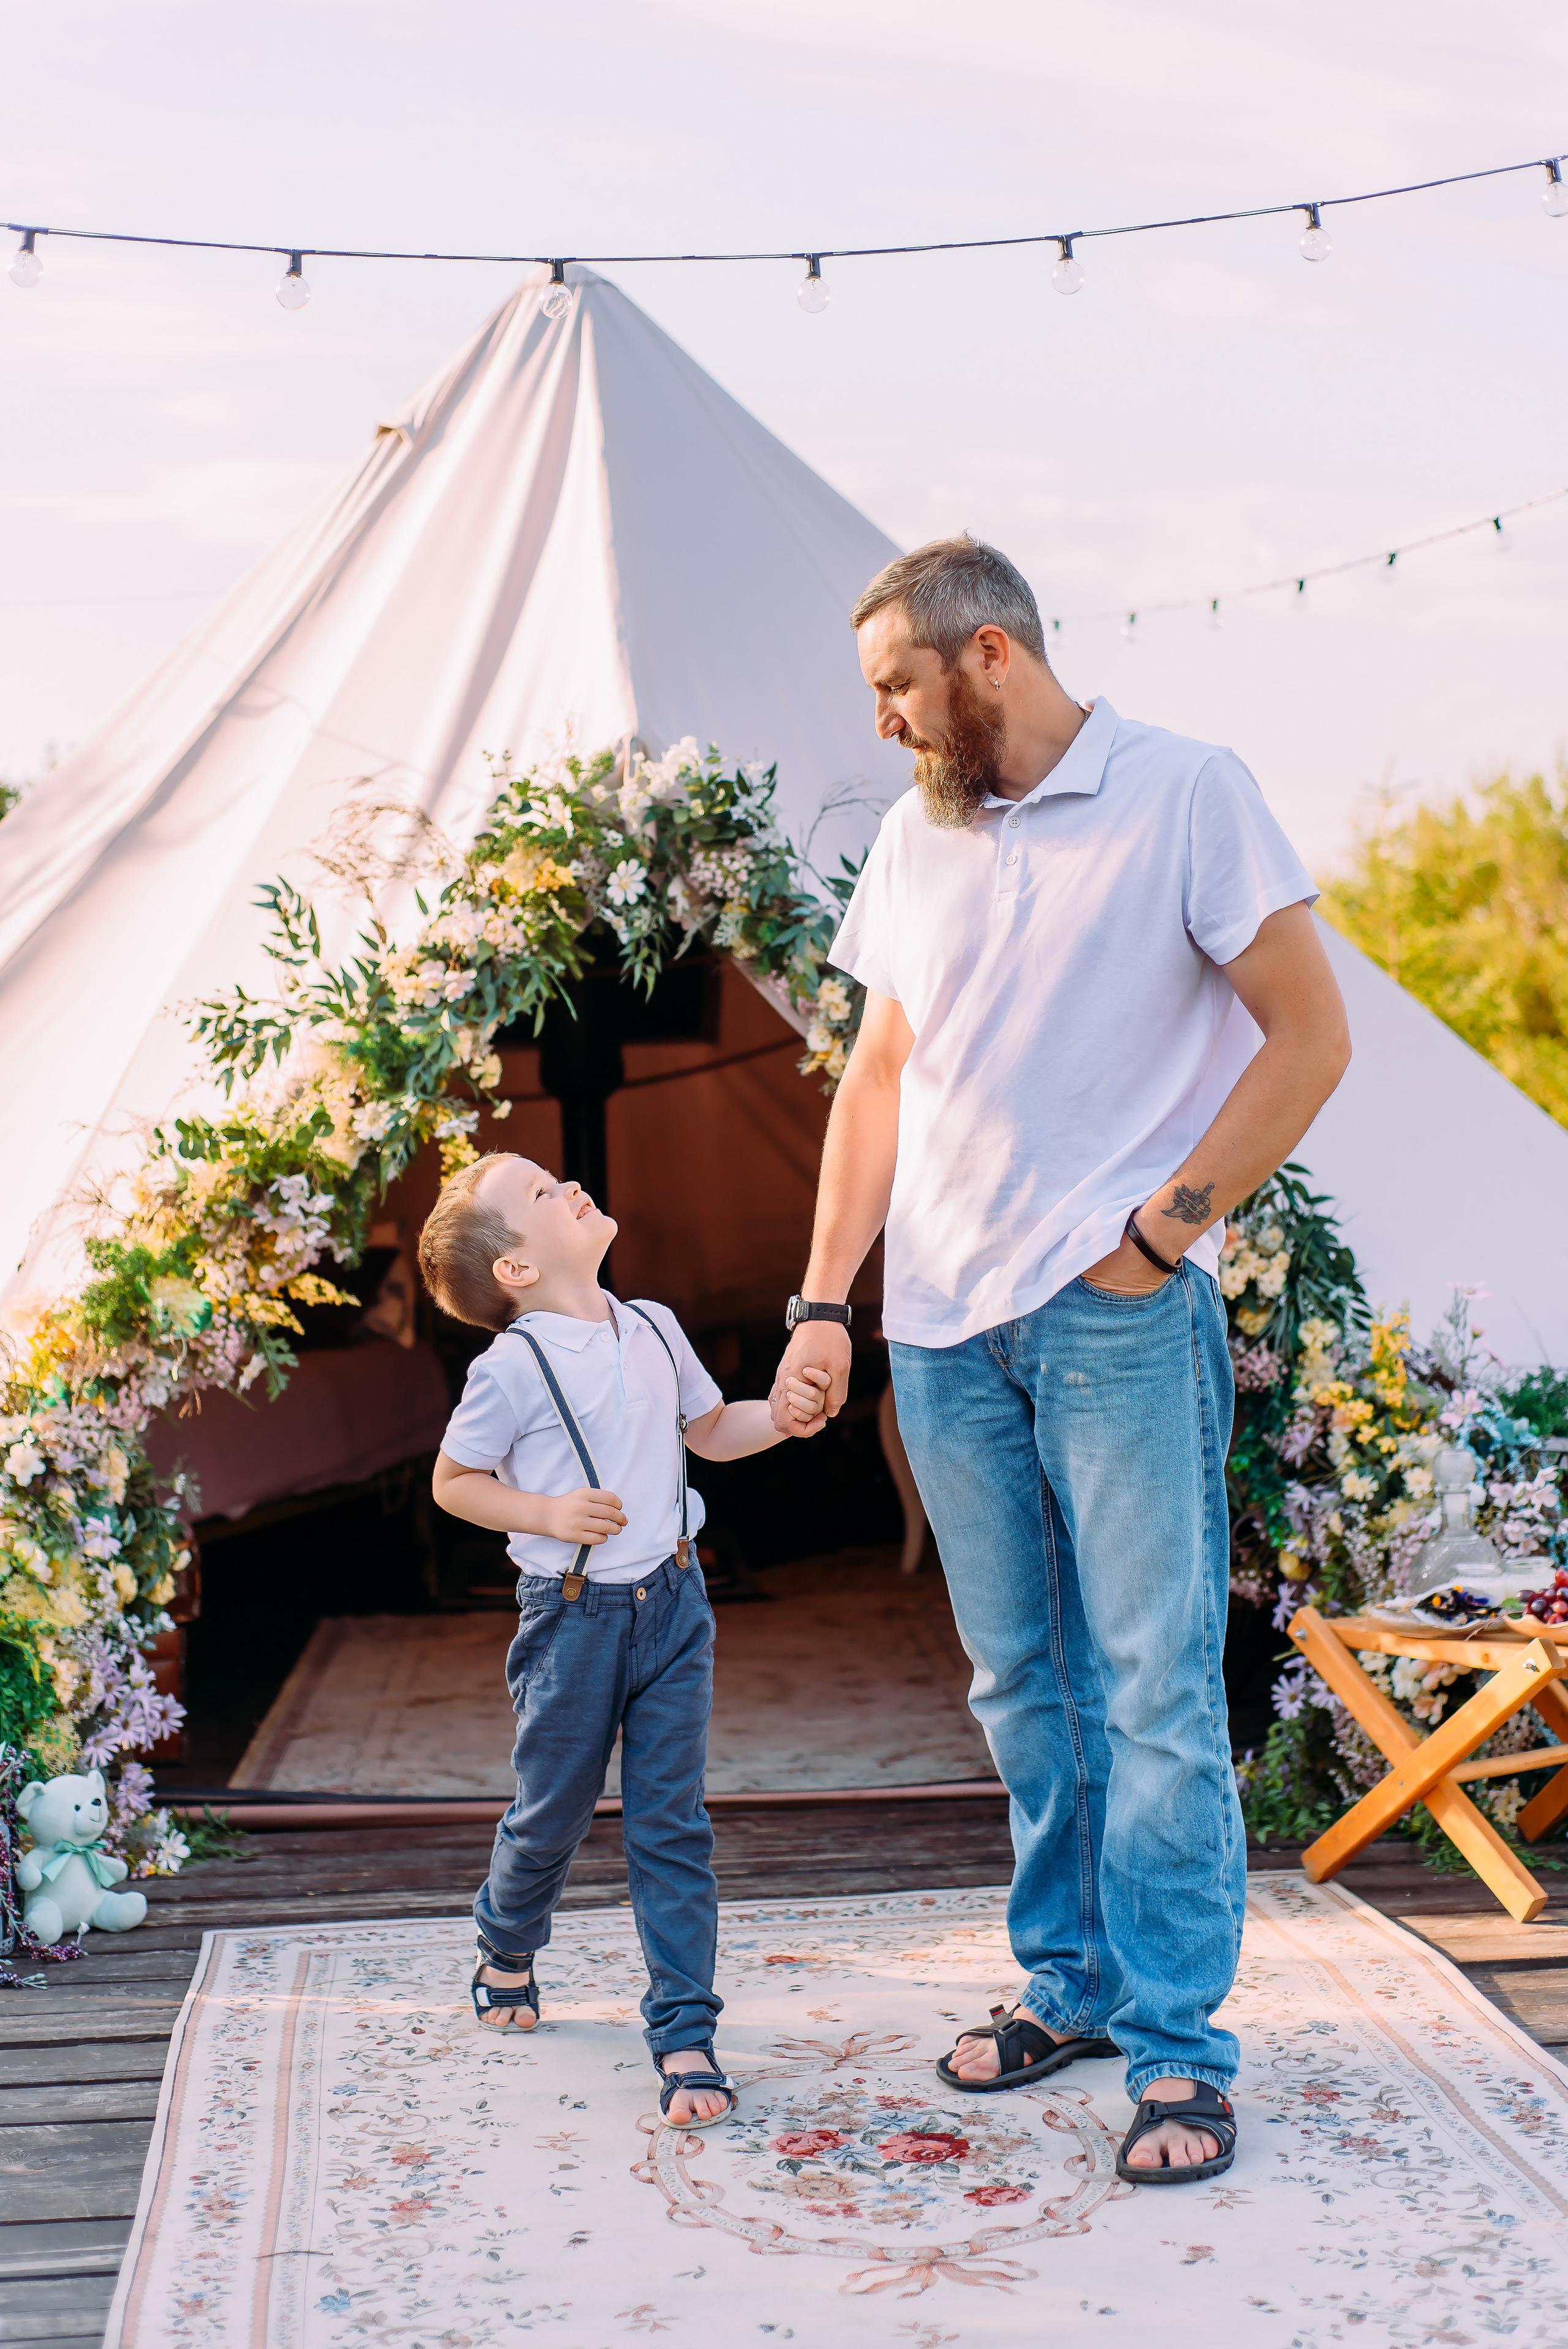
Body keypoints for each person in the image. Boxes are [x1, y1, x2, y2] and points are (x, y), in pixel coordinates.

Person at [771, 534, 1350, 2185]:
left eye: (896, 683)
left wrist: (1160, 1233)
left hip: (1115, 1315)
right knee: (1022, 1685)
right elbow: (878, 1078)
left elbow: (1310, 1033)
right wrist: (824, 1305)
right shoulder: (916, 835)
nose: (882, 719)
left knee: (1153, 1688)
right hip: (942, 1328)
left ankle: (1179, 2050)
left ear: (991, 654)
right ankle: (1073, 1983)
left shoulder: (1187, 792)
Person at [420, 1150, 827, 2130]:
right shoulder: (511, 1367)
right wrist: (547, 1511)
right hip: (573, 1618)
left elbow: (710, 1428)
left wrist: (778, 1418)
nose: (567, 1186)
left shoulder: (651, 1324)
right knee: (552, 1811)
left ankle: (685, 2031)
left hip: (676, 1602)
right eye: (539, 1192)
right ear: (516, 1267)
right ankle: (506, 1937)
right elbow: (454, 1480)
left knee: (671, 1821)